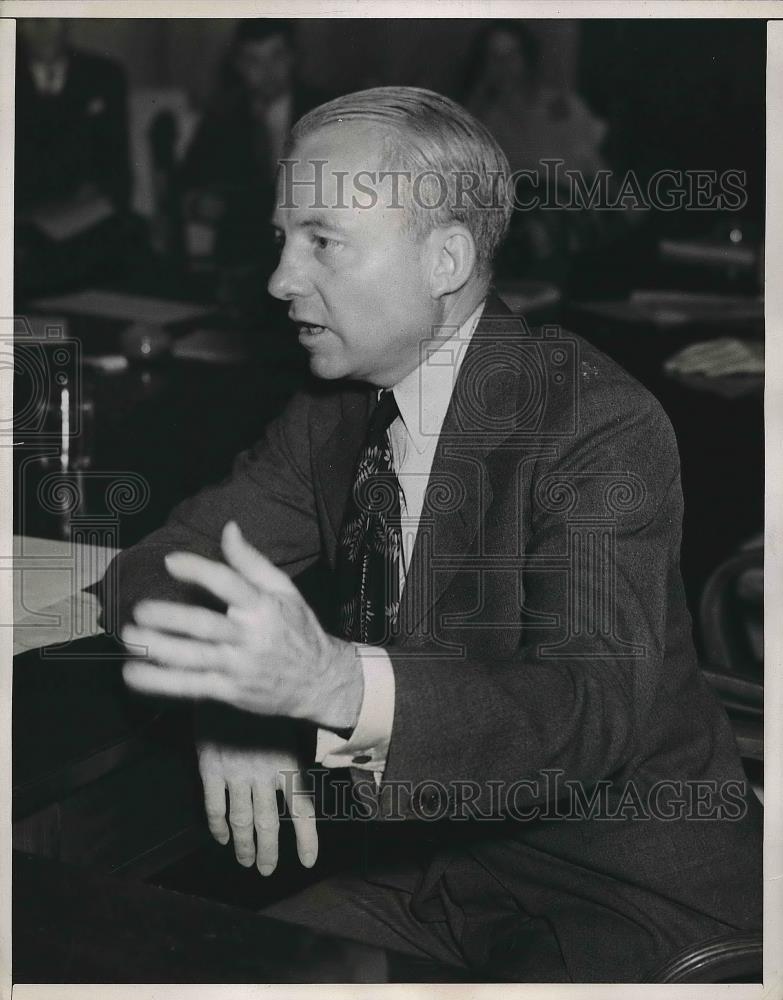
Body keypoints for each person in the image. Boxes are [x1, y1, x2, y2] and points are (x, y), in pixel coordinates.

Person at [104, 87, 762, 982]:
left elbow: (584, 716)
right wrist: (223, 699)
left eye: (322, 241)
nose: (280, 279)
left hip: (625, 901)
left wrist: (327, 682)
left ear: (445, 257)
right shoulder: (327, 417)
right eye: (281, 238)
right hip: (425, 882)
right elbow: (148, 568)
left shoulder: (595, 419)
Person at [178, 18, 326, 271]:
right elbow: (186, 184)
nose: (267, 71)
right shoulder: (222, 117)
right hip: (243, 251)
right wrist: (198, 203)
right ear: (238, 66)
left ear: (293, 58)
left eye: (276, 57)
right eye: (253, 61)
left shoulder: (322, 111)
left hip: (310, 246)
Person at [15, 18, 142, 296]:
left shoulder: (103, 75)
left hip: (85, 220)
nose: (43, 28)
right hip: (20, 222)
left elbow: (118, 166)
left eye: (51, 17)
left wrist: (95, 199)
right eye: (30, 20)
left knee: (130, 244)